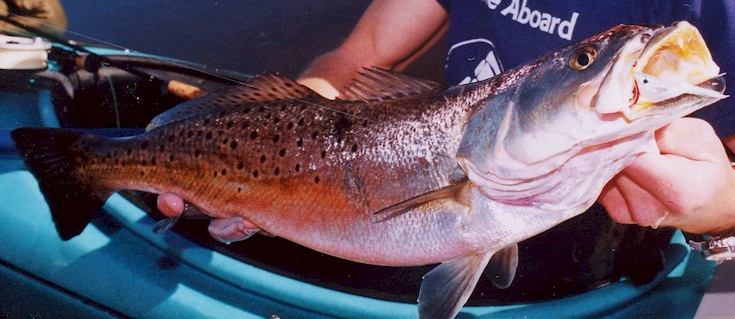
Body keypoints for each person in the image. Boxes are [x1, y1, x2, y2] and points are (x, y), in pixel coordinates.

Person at [158, 1, 735, 236]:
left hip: (587, 253)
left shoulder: (704, 13)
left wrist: (716, 207)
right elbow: (350, 62)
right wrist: (271, 151)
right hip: (414, 178)